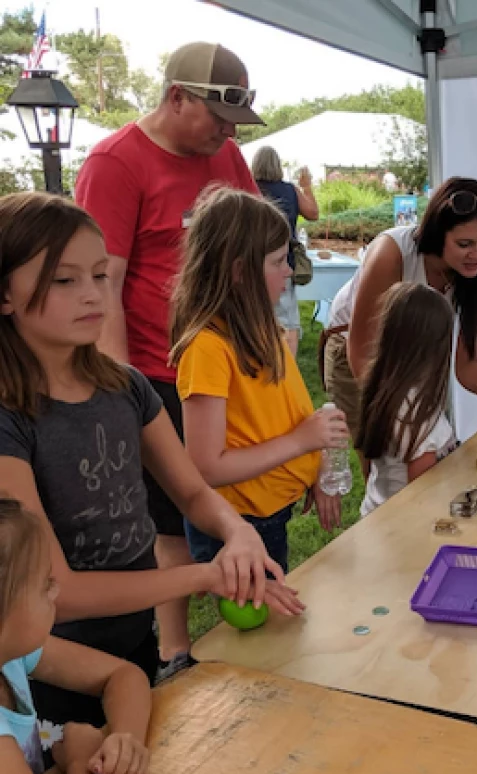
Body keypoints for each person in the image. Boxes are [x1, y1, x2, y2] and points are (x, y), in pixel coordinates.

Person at [0, 192, 300, 745]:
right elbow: (52, 588)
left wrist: (236, 533)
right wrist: (206, 574)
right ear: (5, 293)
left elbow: (191, 491)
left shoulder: (126, 387)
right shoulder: (10, 416)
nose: (93, 295)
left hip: (134, 643)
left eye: (98, 274)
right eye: (64, 281)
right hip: (47, 657)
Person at [75, 41, 264, 680]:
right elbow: (104, 286)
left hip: (227, 362)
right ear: (176, 96)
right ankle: (173, 648)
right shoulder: (116, 163)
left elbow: (252, 245)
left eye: (235, 125)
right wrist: (123, 391)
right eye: (217, 117)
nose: (226, 135)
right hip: (156, 371)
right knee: (170, 515)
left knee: (226, 486)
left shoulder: (228, 156)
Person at [169, 187, 348, 571]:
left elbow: (289, 410)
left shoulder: (262, 324)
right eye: (279, 261)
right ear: (239, 271)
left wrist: (313, 463)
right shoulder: (207, 348)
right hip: (239, 525)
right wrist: (302, 442)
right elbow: (207, 468)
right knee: (256, 625)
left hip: (270, 512)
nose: (288, 271)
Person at [322, 177, 477, 469]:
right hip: (357, 349)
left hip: (416, 351)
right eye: (465, 244)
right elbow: (361, 353)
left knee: (422, 457)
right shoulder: (391, 253)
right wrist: (394, 412)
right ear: (438, 235)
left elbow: (467, 365)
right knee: (383, 460)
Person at [0, 497, 152, 774]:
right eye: (45, 585)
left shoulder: (13, 656)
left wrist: (126, 738)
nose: (56, 592)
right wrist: (80, 762)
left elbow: (123, 675)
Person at [357, 283, 459, 516]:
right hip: (403, 530)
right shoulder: (417, 414)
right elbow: (423, 493)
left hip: (377, 515)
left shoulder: (387, 387)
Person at [251, 147, 320, 359]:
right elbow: (313, 214)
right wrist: (307, 187)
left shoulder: (249, 188)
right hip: (283, 259)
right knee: (287, 318)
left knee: (254, 314)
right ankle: (288, 367)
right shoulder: (290, 190)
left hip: (253, 260)